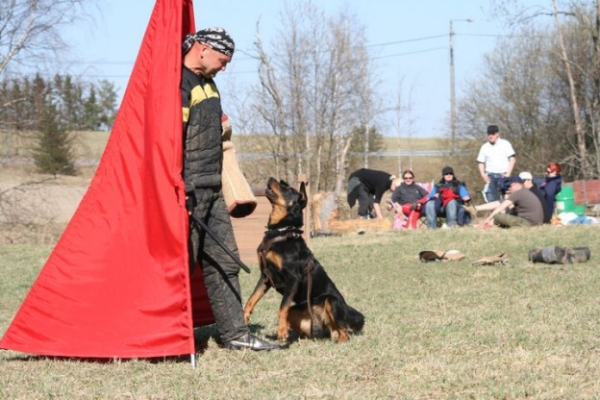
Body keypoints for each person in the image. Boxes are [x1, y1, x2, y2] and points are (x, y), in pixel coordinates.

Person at [182, 28, 280, 351]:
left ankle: (236, 335)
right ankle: (167, 338)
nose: (224, 68)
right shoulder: (179, 84)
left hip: (213, 192)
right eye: (223, 61)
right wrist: (180, 186)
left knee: (226, 262)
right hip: (189, 194)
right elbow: (169, 141)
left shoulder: (209, 86)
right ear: (203, 49)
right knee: (181, 268)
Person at [479, 176, 544, 228]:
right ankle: (490, 224)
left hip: (528, 223)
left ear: (517, 185)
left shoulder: (518, 193)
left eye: (509, 186)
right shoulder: (525, 192)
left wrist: (487, 219)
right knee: (505, 217)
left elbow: (501, 207)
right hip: (536, 223)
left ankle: (486, 225)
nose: (509, 188)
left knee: (497, 216)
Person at [476, 125, 516, 202]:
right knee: (491, 198)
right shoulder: (484, 147)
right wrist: (483, 174)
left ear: (497, 134)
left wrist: (508, 173)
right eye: (489, 134)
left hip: (503, 175)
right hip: (490, 176)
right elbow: (481, 162)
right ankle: (494, 213)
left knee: (506, 198)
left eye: (493, 134)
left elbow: (512, 159)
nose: (491, 136)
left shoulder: (505, 144)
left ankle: (505, 213)